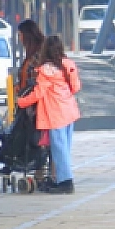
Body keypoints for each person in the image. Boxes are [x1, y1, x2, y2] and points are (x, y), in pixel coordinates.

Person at [18, 35, 83, 194]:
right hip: (69, 111)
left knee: (59, 149)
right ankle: (61, 179)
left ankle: (66, 182)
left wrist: (21, 102)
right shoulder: (68, 64)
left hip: (55, 114)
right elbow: (76, 87)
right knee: (65, 148)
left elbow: (38, 93)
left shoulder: (46, 70)